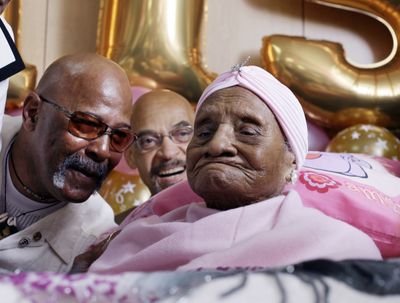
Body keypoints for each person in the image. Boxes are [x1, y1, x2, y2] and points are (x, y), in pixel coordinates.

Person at [88, 65, 381, 274]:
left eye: (248, 131)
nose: (217, 145)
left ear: (291, 157)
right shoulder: (131, 241)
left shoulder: (340, 249)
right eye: (204, 132)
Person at [0, 53, 135, 273]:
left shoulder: (94, 242)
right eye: (86, 124)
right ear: (33, 113)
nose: (102, 150)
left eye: (119, 136)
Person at [124, 89, 195, 196]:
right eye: (148, 141)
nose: (168, 153)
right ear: (131, 156)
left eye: (182, 134)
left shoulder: (229, 210)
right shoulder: (120, 214)